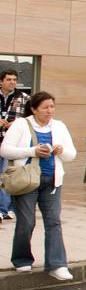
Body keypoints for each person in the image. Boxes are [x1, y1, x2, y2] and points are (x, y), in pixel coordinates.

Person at [2, 91, 77, 280]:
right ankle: (21, 259)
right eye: (45, 107)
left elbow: (71, 154)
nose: (49, 110)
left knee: (53, 222)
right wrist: (33, 151)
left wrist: (61, 151)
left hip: (52, 181)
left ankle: (57, 264)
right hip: (27, 181)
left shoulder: (59, 126)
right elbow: (5, 150)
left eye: (52, 106)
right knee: (26, 222)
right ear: (34, 109)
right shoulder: (21, 124)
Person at [0, 68, 27, 223]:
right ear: (1, 81)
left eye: (14, 80)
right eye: (9, 79)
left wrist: (17, 124)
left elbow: (30, 118)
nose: (12, 82)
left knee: (8, 177)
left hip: (11, 144)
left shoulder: (24, 97)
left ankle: (7, 209)